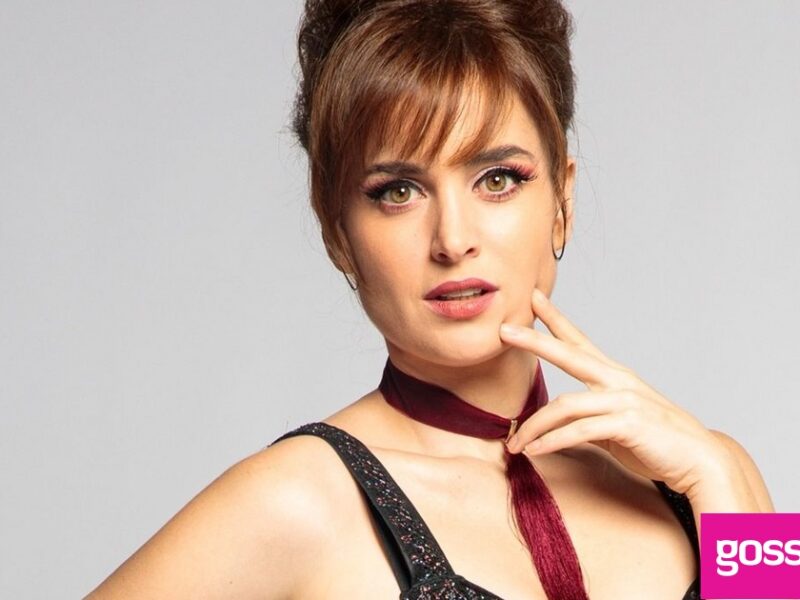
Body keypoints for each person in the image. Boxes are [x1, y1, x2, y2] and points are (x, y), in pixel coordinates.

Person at [86, 0, 774, 598]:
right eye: (399, 191)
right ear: (336, 233)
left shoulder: (708, 474)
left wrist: (724, 486)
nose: (453, 239)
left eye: (497, 179)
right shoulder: (297, 502)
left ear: (562, 201)